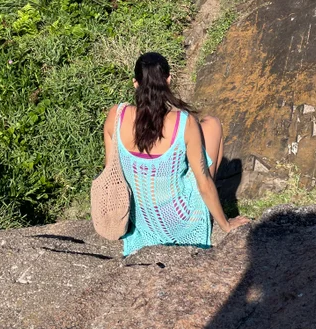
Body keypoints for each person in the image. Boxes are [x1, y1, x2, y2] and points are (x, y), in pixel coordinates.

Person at [104, 51, 249, 256]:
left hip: (142, 221)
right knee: (212, 124)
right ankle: (209, 210)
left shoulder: (116, 115)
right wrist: (226, 225)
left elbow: (111, 174)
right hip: (180, 221)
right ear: (168, 80)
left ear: (135, 83)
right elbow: (204, 183)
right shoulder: (183, 121)